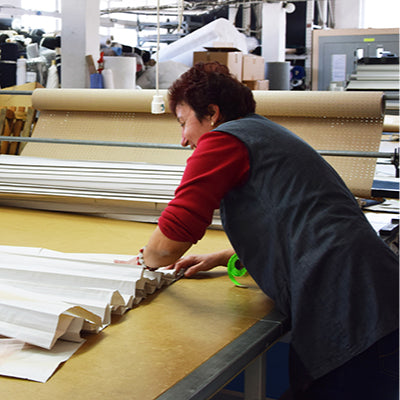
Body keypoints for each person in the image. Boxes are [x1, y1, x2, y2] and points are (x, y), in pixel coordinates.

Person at [119, 62, 399, 399]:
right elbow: (298, 217)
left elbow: (171, 240)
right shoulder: (262, 132)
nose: (183, 140)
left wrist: (145, 262)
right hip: (372, 291)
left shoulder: (223, 139)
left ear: (211, 113)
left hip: (351, 303)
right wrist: (227, 256)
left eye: (184, 124)